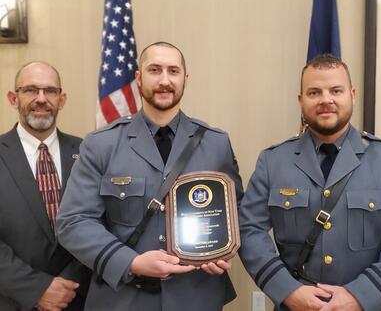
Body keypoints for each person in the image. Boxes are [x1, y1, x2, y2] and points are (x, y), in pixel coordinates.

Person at [56, 42, 243, 310]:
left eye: (173, 71)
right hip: (123, 297)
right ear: (139, 78)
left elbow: (235, 212)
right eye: (155, 70)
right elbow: (73, 222)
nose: (165, 80)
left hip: (196, 297)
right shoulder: (101, 144)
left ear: (185, 80)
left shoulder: (216, 143)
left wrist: (223, 250)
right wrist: (129, 262)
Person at [238, 54, 381, 311]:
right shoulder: (273, 161)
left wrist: (361, 295)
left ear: (352, 94)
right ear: (301, 100)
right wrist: (287, 290)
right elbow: (249, 230)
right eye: (314, 92)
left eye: (336, 90)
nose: (326, 100)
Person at [0, 61, 89, 311]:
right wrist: (38, 289)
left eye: (50, 91)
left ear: (62, 99)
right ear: (12, 98)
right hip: (12, 300)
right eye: (30, 90)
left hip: (78, 299)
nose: (41, 98)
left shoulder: (88, 152)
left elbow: (102, 223)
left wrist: (69, 283)